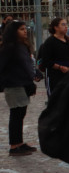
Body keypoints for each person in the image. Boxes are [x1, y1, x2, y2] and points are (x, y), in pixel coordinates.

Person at [0, 21, 39, 156]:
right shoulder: (9, 47)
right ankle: (14, 145)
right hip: (13, 84)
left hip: (23, 84)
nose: (25, 31)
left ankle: (19, 143)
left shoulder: (22, 46)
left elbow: (27, 64)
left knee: (20, 114)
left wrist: (34, 75)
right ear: (14, 31)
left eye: (25, 28)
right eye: (21, 29)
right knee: (16, 114)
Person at [37, 17, 69, 98]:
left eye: (66, 24)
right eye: (63, 24)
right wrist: (60, 67)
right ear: (56, 27)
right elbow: (46, 61)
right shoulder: (50, 42)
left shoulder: (68, 41)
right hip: (55, 75)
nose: (66, 27)